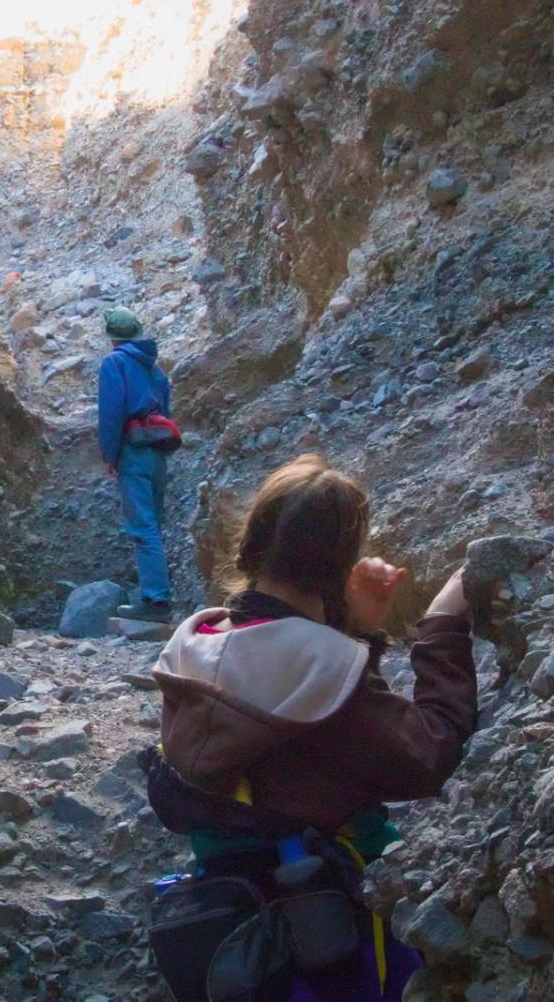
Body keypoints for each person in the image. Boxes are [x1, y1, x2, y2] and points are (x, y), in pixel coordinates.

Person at [147, 455, 477, 1002]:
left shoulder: (196, 644)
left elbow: (297, 715)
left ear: (253, 543)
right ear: (338, 563)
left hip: (237, 925)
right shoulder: (322, 665)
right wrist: (442, 625)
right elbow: (428, 755)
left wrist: (354, 629)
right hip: (333, 930)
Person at [97, 307, 174, 621]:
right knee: (153, 524)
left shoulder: (114, 362)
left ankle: (155, 602)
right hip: (156, 448)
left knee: (142, 527)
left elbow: (111, 413)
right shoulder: (155, 369)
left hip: (133, 449)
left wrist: (110, 454)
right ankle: (158, 596)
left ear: (112, 337)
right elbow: (166, 410)